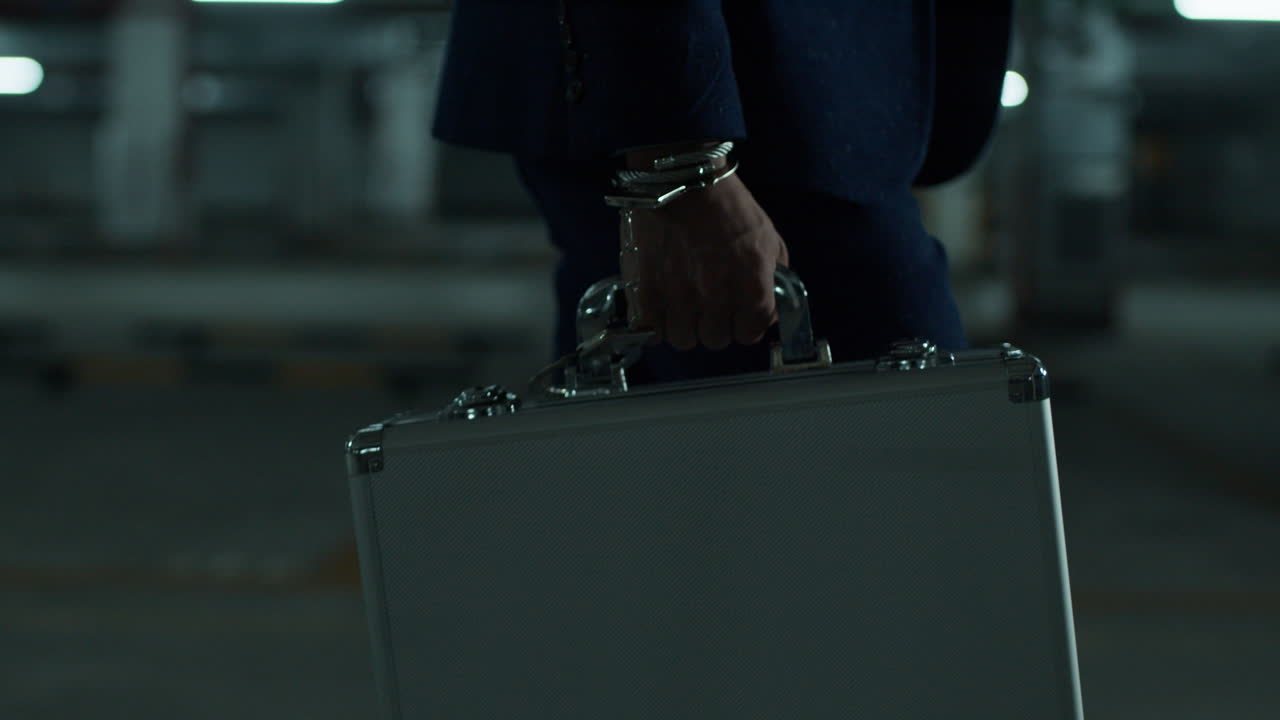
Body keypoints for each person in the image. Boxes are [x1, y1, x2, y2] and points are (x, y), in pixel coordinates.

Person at [432, 1, 1014, 384]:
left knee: (674, 504)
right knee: (922, 486)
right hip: (735, 92)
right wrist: (675, 150)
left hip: (765, 94)